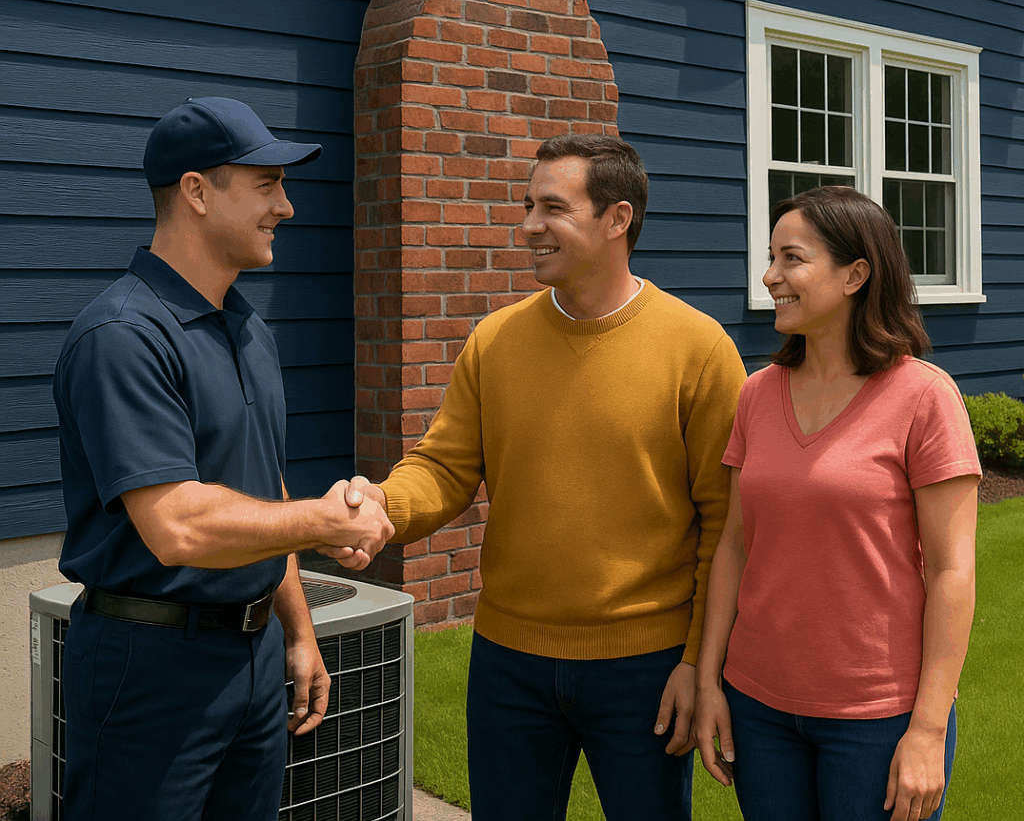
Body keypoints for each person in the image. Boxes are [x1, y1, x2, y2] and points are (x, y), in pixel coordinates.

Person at [342, 134, 747, 821]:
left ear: (617, 219)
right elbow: (443, 467)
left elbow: (726, 523)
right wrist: (384, 504)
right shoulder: (495, 341)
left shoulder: (699, 348)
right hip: (509, 662)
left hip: (644, 668)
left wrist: (696, 665)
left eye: (551, 207)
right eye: (528, 204)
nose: (528, 224)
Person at [52, 97, 393, 821]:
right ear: (197, 191)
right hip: (148, 663)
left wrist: (297, 631)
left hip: (252, 654)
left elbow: (259, 490)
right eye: (266, 184)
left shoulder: (247, 328)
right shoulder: (122, 336)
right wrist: (324, 520)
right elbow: (176, 522)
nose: (287, 207)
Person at [694, 186, 981, 821]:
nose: (770, 277)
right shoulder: (757, 395)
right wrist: (710, 680)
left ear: (855, 274)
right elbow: (735, 546)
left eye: (791, 258)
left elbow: (954, 570)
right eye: (770, 258)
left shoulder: (924, 398)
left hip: (876, 719)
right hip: (759, 708)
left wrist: (928, 729)